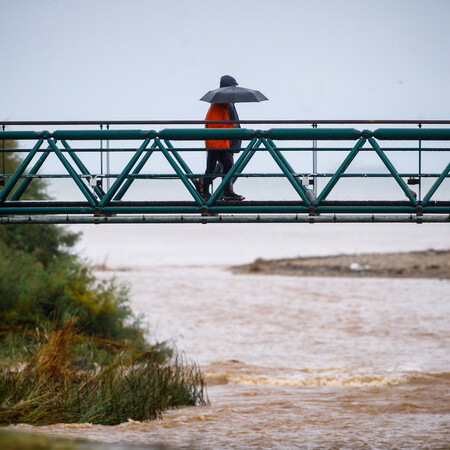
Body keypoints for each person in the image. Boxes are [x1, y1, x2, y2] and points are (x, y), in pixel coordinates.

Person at [194, 75, 245, 201]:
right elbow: (218, 124)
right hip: (218, 142)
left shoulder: (225, 103)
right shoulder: (220, 103)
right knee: (222, 166)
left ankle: (210, 188)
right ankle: (218, 191)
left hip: (221, 141)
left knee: (222, 166)